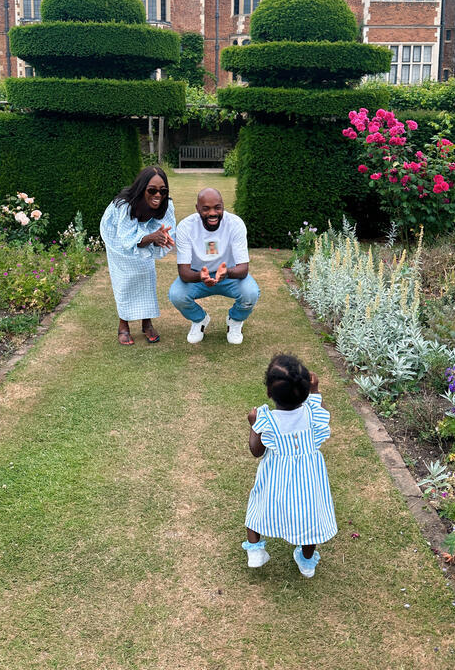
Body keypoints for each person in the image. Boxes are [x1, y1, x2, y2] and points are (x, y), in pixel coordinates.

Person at [243, 354, 337, 577]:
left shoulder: (266, 418)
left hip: (275, 477)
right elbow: (321, 409)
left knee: (260, 506)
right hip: (308, 479)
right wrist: (316, 391)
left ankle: (255, 550)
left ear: (268, 392)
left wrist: (253, 425)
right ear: (305, 391)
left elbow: (257, 451)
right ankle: (306, 562)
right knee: (310, 516)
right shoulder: (313, 414)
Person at [168, 187, 259, 345]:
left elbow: (243, 269)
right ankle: (199, 320)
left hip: (230, 274)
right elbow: (184, 273)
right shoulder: (185, 227)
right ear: (197, 208)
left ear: (223, 206)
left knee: (250, 293)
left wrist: (226, 273)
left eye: (217, 207)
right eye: (206, 209)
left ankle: (235, 321)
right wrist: (200, 276)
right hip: (197, 276)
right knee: (177, 295)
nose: (212, 213)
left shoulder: (235, 224)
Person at [100, 166, 176, 345]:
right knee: (124, 278)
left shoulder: (166, 204)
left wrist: (162, 237)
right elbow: (127, 240)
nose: (158, 195)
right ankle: (123, 325)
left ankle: (146, 323)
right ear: (142, 188)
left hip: (143, 232)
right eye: (152, 190)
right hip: (116, 236)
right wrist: (151, 237)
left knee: (147, 273)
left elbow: (167, 229)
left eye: (162, 191)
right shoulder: (124, 205)